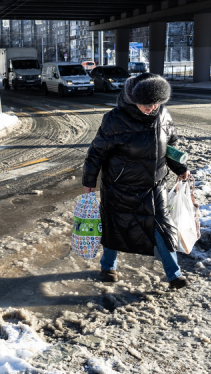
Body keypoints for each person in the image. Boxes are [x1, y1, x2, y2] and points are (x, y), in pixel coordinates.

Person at [82, 73, 191, 289]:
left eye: (156, 102)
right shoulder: (114, 119)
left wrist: (180, 168)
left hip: (154, 185)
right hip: (120, 187)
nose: (153, 107)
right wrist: (89, 179)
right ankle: (108, 267)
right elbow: (96, 152)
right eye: (147, 104)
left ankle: (174, 275)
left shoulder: (163, 114)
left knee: (163, 228)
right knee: (115, 226)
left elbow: (171, 145)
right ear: (134, 100)